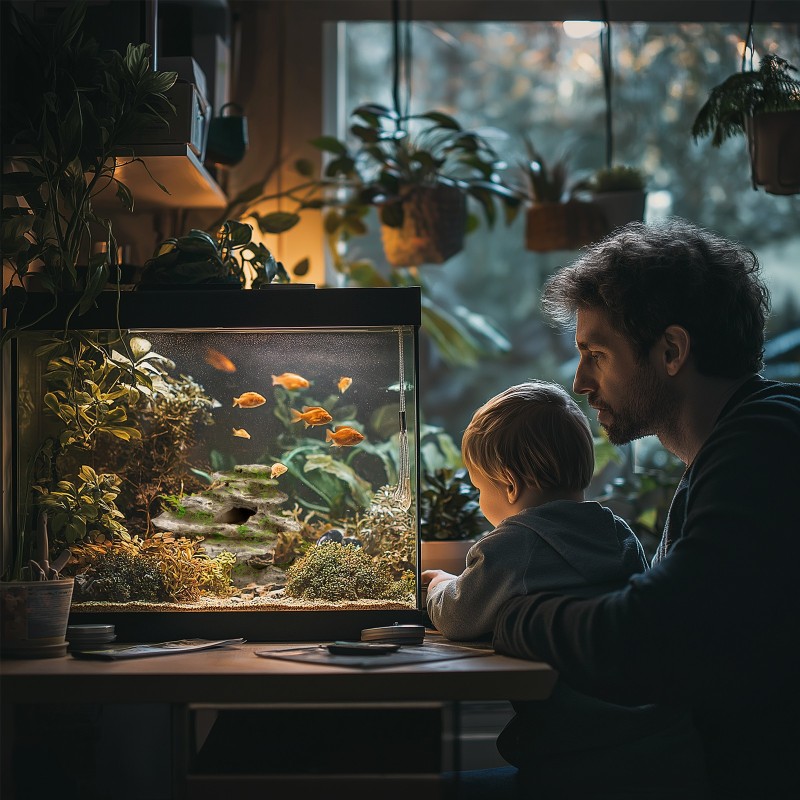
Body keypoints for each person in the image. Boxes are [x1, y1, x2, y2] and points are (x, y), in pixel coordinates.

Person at [492, 218, 800, 800]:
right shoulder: (734, 445)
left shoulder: (763, 445)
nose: (580, 381)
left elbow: (644, 640)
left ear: (672, 350)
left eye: (596, 353)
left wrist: (511, 614)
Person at [423, 380, 706, 798]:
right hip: (651, 740)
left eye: (481, 489)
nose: (481, 500)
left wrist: (438, 586)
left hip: (573, 753)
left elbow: (460, 617)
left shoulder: (513, 545)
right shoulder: (618, 533)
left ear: (509, 484)